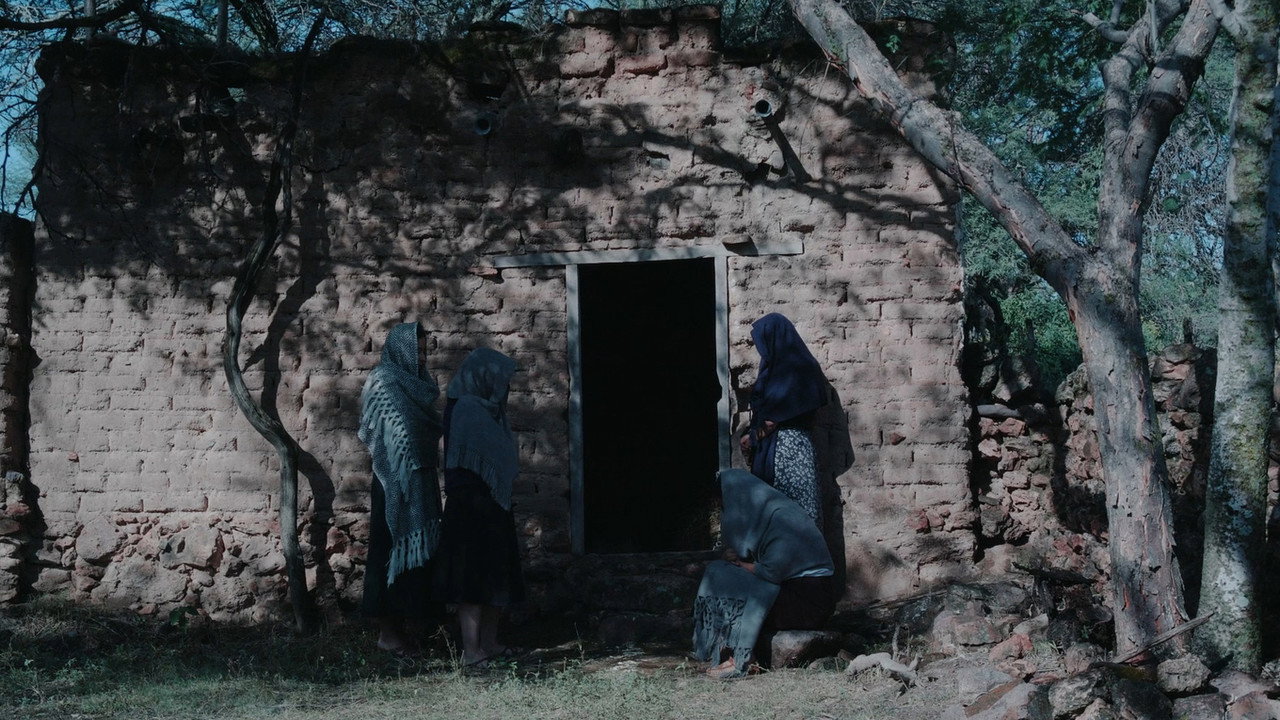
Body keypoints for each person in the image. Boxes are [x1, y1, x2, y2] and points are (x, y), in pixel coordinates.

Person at [693, 469, 836, 679]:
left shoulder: (782, 517)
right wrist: (735, 559)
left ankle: (743, 659)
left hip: (808, 601)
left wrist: (740, 564)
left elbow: (771, 572)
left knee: (734, 584)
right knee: (720, 570)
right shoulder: (767, 513)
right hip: (791, 591)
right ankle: (738, 654)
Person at [434, 347, 524, 667]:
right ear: (484, 377)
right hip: (470, 503)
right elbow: (473, 459)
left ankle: (490, 642)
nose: (506, 387)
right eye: (502, 380)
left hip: (493, 502)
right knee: (471, 577)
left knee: (497, 574)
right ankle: (471, 652)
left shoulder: (491, 411)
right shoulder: (468, 408)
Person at [358, 322, 444, 655]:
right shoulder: (383, 381)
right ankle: (389, 634)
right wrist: (404, 461)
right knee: (388, 548)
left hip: (422, 479)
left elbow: (422, 430)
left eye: (425, 350)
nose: (421, 356)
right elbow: (393, 434)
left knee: (420, 551)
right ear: (400, 349)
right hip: (391, 481)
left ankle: (414, 631)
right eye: (416, 349)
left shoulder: (421, 385)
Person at [739, 313, 827, 522]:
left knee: (782, 513)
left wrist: (752, 439)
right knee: (801, 514)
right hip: (799, 447)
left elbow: (773, 419)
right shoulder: (800, 366)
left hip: (784, 452)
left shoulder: (788, 371)